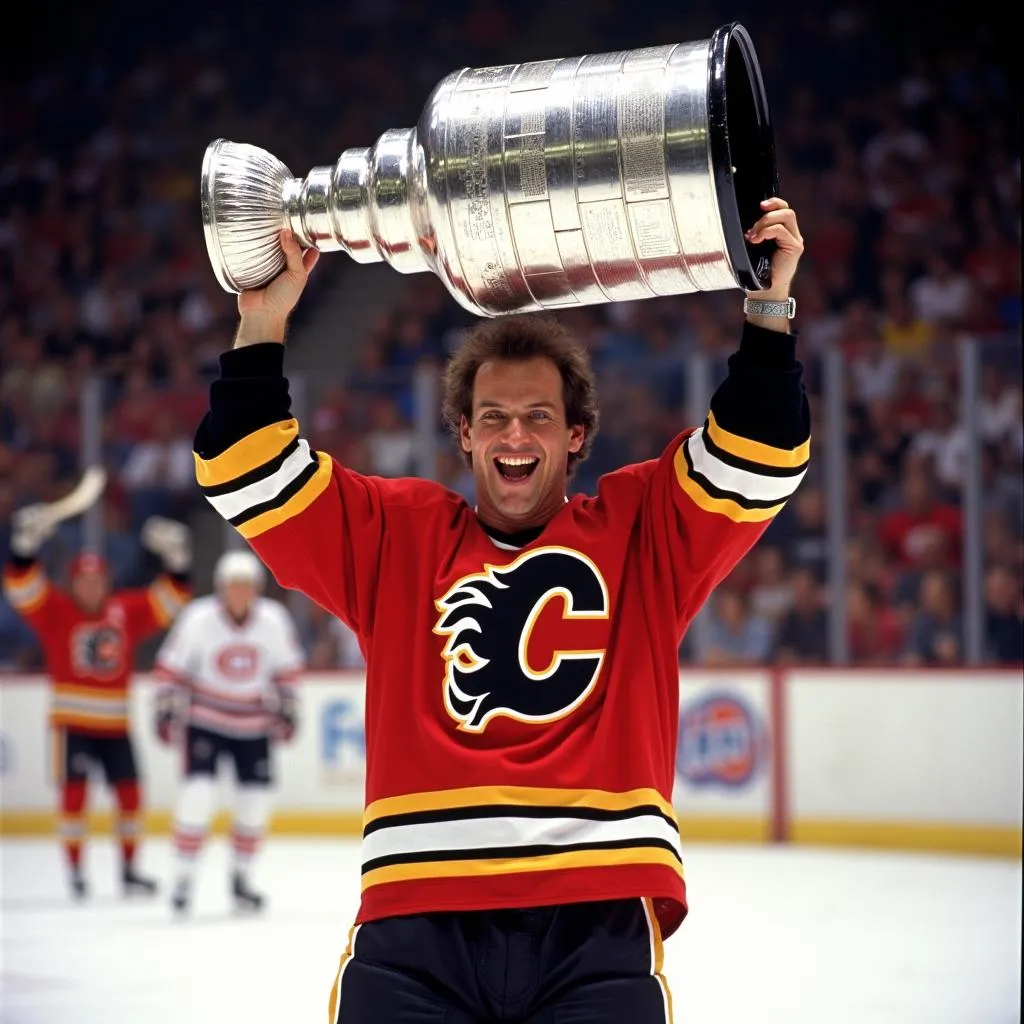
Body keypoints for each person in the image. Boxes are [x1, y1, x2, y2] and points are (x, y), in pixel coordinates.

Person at [194, 198, 808, 1023]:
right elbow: (244, 468)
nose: (514, 436)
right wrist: (265, 319)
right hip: (417, 916)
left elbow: (760, 453)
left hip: (595, 916)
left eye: (537, 418)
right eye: (494, 419)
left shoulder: (641, 531)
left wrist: (769, 308)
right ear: (465, 434)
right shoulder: (398, 537)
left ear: (578, 435)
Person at [2, 510, 191, 899]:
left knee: (131, 795)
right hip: (72, 725)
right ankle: (74, 870)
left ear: (107, 580)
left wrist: (178, 561)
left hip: (116, 725)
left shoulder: (124, 611)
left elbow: (172, 599)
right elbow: (20, 586)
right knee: (74, 797)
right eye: (84, 580)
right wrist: (24, 549)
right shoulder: (56, 610)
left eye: (97, 579)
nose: (91, 586)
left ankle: (129, 870)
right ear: (74, 582)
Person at [154, 549, 303, 914]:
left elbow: (287, 672)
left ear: (257, 589)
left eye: (247, 586)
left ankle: (241, 879)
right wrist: (165, 706)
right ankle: (183, 878)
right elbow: (170, 668)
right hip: (205, 720)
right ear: (222, 587)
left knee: (255, 804)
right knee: (198, 796)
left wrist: (289, 708)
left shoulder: (274, 619)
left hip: (253, 724)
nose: (240, 593)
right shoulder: (198, 618)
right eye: (234, 585)